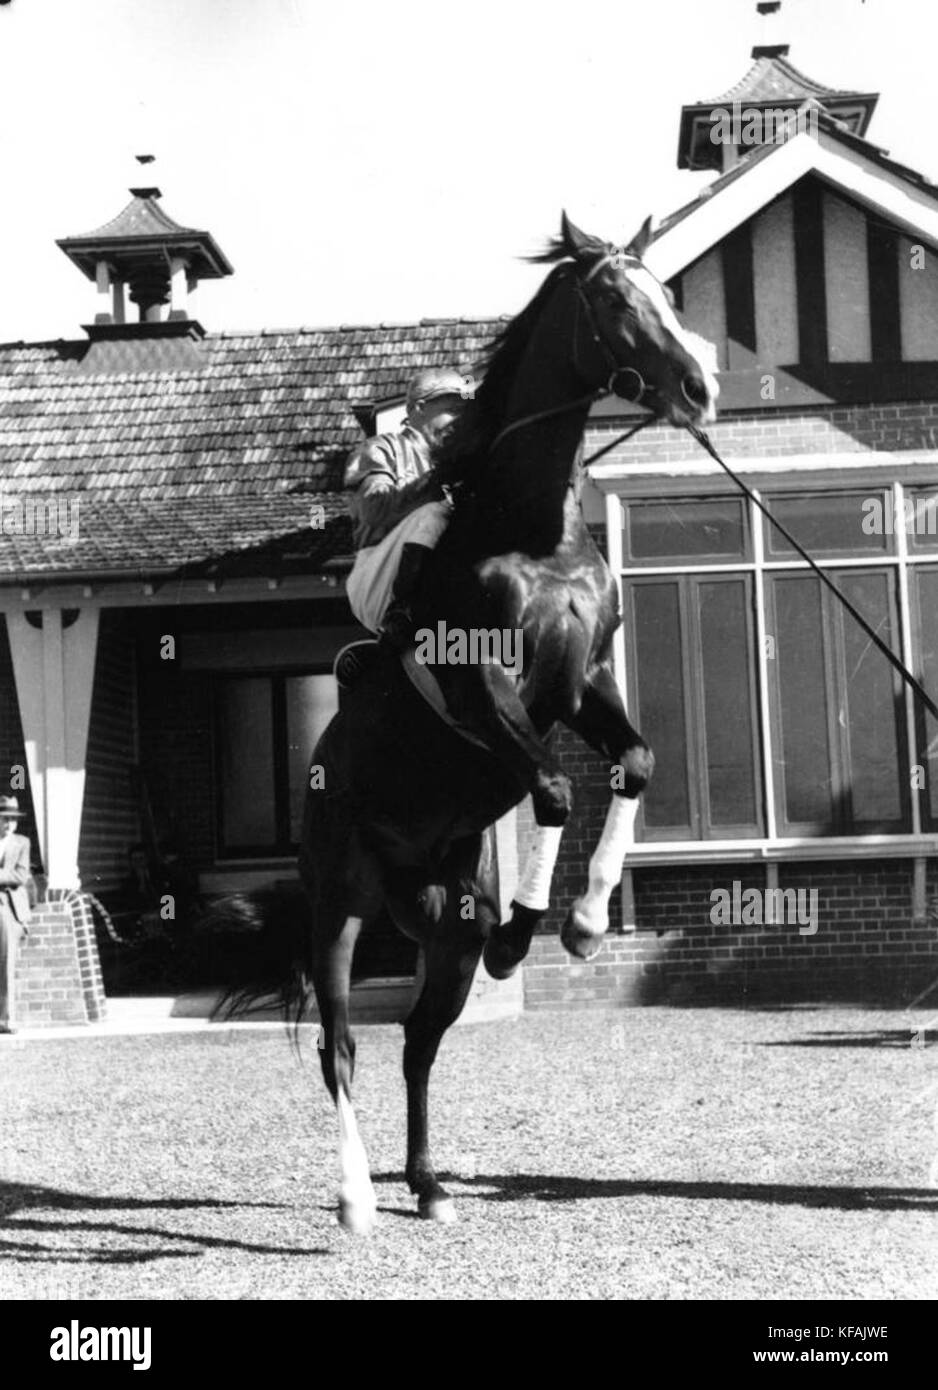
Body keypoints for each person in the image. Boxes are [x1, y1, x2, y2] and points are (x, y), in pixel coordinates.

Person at [344, 367, 467, 648]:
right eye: (453, 410)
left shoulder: (450, 460)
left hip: (431, 579)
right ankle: (401, 612)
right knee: (436, 513)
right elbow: (374, 510)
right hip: (378, 580)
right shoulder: (378, 449)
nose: (461, 423)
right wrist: (436, 481)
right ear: (420, 408)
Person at [0, 796, 32, 1036]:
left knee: (6, 961)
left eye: (13, 820)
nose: (9, 824)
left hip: (7, 908)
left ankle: (7, 1018)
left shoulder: (22, 842)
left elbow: (21, 876)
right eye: (4, 819)